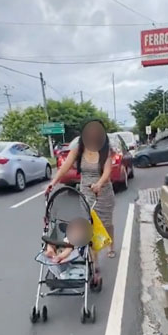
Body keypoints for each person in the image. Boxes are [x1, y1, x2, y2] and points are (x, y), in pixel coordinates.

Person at [46, 120, 117, 280]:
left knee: (106, 225)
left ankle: (111, 245)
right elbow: (64, 167)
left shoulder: (106, 151)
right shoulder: (78, 149)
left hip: (103, 193)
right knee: (88, 227)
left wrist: (99, 183)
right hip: (85, 192)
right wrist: (53, 182)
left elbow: (107, 172)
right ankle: (95, 264)